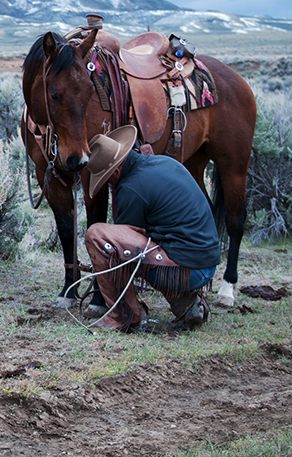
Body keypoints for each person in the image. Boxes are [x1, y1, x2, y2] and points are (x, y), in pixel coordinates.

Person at [83, 125, 218, 331]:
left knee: (97, 236)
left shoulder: (130, 189)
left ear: (116, 171)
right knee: (160, 244)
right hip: (206, 264)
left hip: (189, 271)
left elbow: (124, 252)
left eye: (106, 178)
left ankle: (125, 316)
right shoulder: (162, 162)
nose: (108, 184)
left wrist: (101, 262)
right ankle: (187, 304)